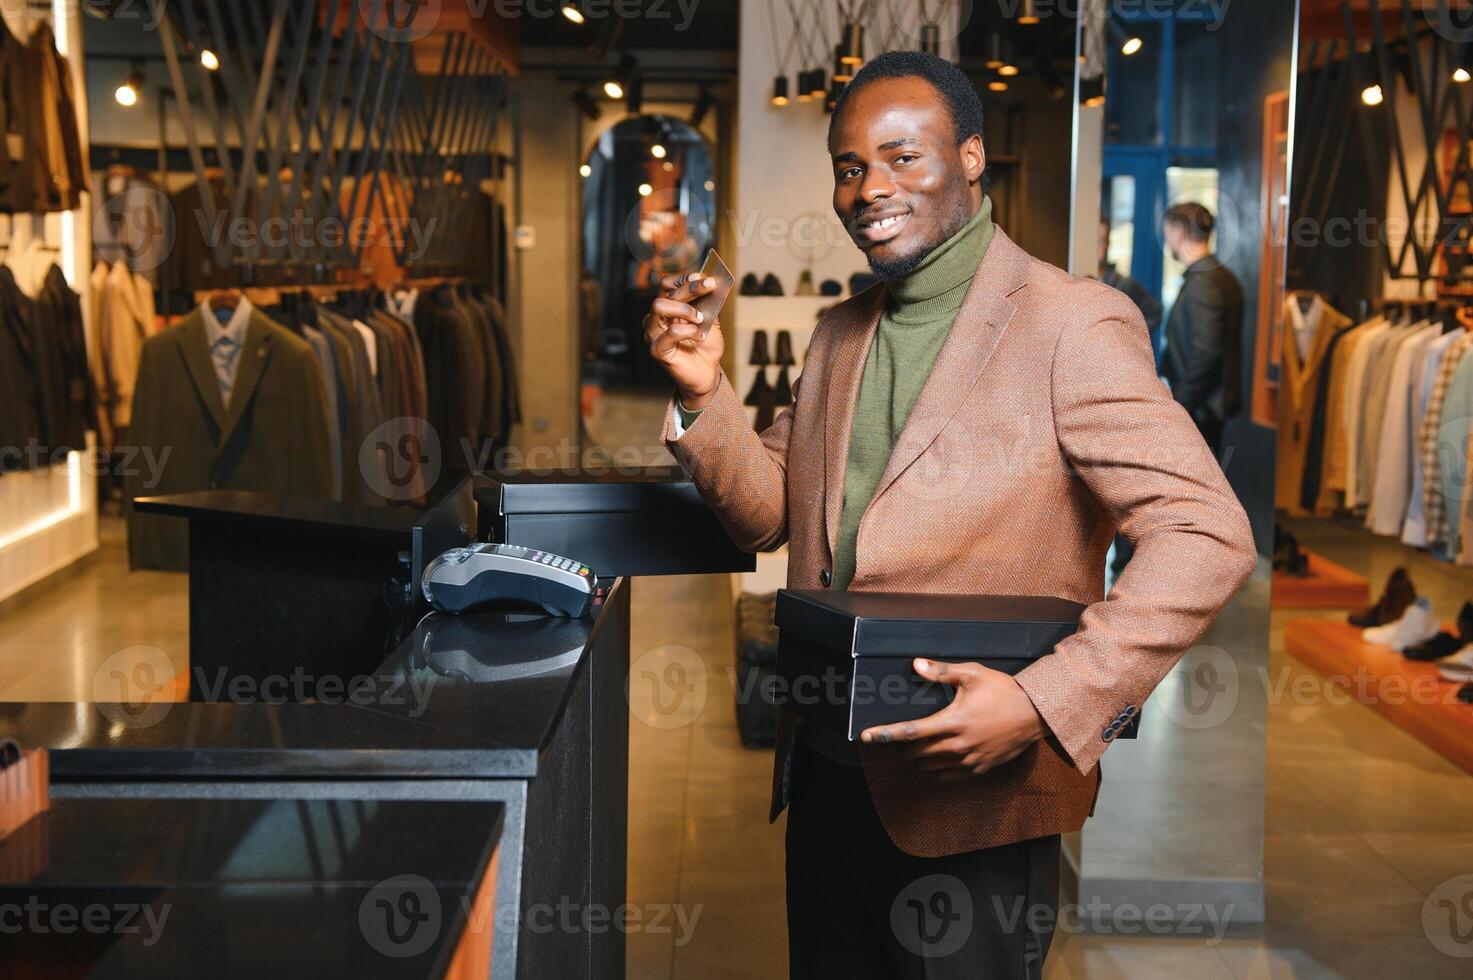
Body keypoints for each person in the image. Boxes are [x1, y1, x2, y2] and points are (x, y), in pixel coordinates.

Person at [644, 51, 1255, 979]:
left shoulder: (1069, 323)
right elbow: (767, 513)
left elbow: (1205, 531)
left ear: (971, 157)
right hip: (825, 786)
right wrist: (703, 394)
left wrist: (1044, 702)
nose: (868, 188)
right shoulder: (841, 331)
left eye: (902, 157)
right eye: (850, 167)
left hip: (970, 803)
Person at [1160, 202, 1244, 455]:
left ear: (1178, 232)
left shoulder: (1203, 282)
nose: (1167, 240)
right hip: (1206, 409)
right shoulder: (1221, 276)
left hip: (1200, 411)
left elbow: (1207, 352)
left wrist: (1179, 403)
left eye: (1167, 233)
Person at [1098, 217, 1163, 348]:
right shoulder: (1072, 279)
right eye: (1092, 239)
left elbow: (1154, 312)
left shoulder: (1122, 283)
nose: (1098, 246)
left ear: (1107, 244)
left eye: (1102, 240)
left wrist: (1126, 338)